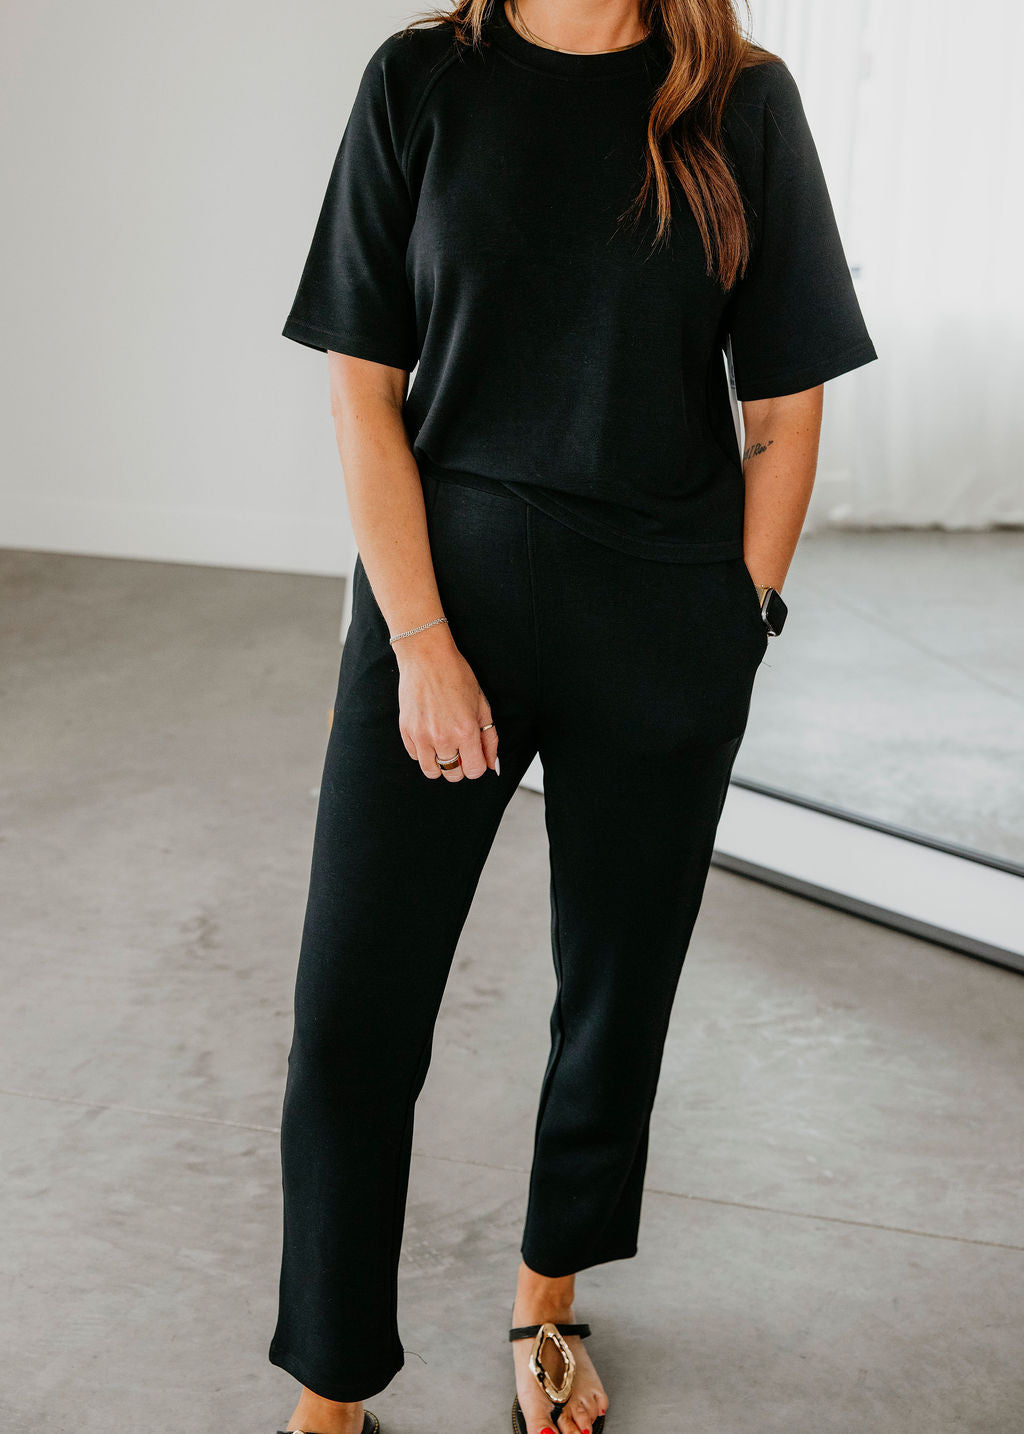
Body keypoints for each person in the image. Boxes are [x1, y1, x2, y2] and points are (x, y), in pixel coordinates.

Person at [268, 2, 878, 1432]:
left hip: (661, 624)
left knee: (614, 1001)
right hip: (441, 615)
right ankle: (332, 1388)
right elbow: (364, 393)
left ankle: (546, 1303)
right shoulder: (422, 82)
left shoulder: (743, 101)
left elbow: (784, 413)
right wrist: (421, 643)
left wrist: (737, 622)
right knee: (351, 1018)